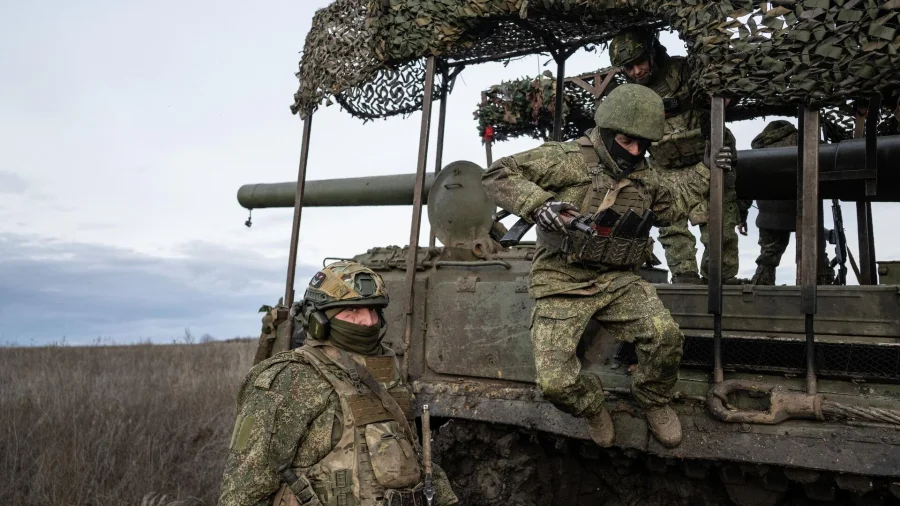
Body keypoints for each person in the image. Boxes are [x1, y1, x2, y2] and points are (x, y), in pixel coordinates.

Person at [482, 84, 733, 449]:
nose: (635, 153)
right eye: (628, 142)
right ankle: (591, 404)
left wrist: (710, 169)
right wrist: (539, 204)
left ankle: (652, 398)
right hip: (563, 279)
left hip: (617, 280)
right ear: (606, 131)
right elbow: (497, 174)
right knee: (556, 384)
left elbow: (673, 204)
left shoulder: (644, 176)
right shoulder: (565, 158)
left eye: (643, 146)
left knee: (665, 337)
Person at [218, 261, 458, 506]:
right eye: (352, 311)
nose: (367, 321)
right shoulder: (289, 378)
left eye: (373, 310)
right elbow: (243, 493)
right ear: (318, 320)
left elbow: (415, 457)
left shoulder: (386, 373)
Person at [609, 28, 744, 284]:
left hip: (708, 159)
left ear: (652, 54)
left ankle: (721, 279)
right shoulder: (631, 96)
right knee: (672, 228)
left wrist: (726, 97)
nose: (636, 72)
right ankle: (685, 277)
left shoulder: (684, 70)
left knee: (720, 226)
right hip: (664, 165)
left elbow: (726, 93)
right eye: (628, 68)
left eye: (639, 63)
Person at [743, 120, 798, 285]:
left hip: (766, 210)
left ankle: (762, 280)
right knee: (810, 249)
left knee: (768, 250)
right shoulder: (800, 139)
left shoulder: (759, 147)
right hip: (795, 206)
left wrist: (742, 215)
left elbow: (748, 181)